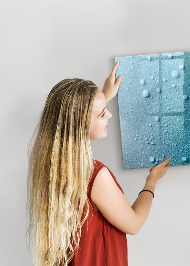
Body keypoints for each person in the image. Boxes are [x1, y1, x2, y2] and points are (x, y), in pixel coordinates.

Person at [27, 62, 171, 266]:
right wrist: (152, 181)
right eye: (102, 113)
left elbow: (76, 118)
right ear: (81, 124)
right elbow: (134, 224)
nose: (109, 115)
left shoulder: (50, 165)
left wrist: (104, 96)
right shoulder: (95, 176)